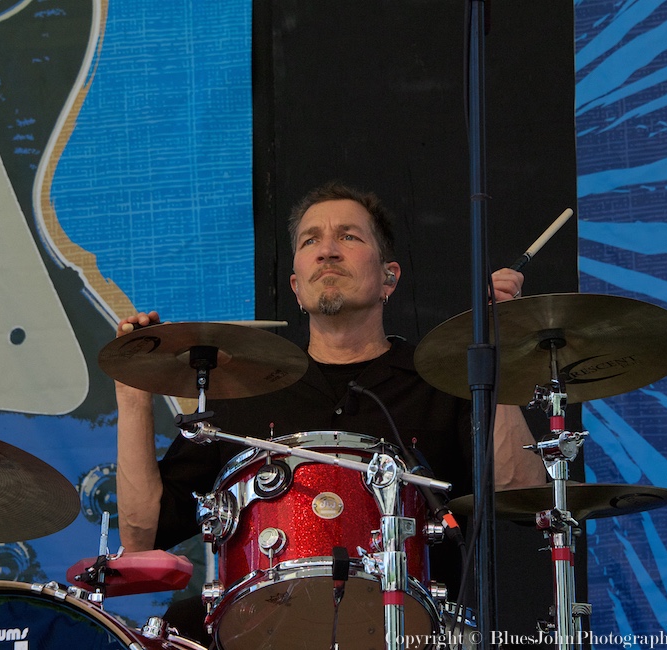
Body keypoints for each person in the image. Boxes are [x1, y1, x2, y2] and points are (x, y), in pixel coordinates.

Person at [114, 181, 546, 645]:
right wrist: (133, 394)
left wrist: (498, 349)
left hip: (410, 632)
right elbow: (142, 537)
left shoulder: (441, 381)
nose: (327, 251)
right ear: (296, 288)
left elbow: (522, 491)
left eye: (348, 236)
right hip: (264, 631)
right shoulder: (244, 390)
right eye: (310, 241)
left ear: (389, 278)